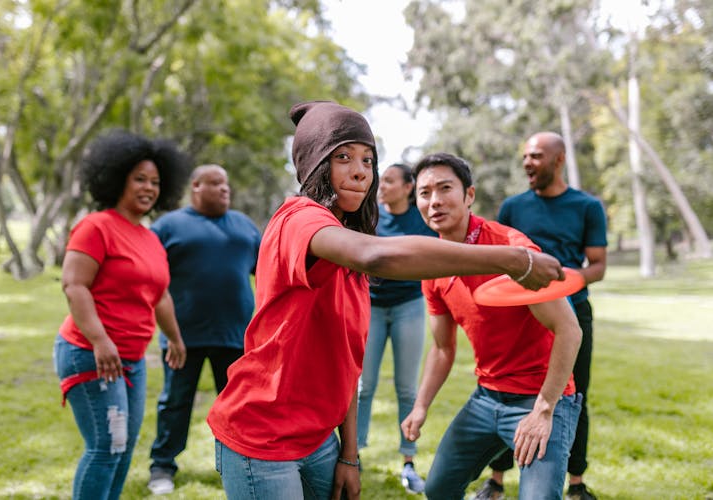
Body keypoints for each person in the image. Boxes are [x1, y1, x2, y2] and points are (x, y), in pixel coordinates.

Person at [206, 100, 566, 500]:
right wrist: (511, 260)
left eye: (367, 159)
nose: (360, 170)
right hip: (263, 435)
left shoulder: (347, 253)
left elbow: (346, 360)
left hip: (320, 439)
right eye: (342, 157)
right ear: (314, 164)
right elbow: (377, 255)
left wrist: (348, 454)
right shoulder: (298, 219)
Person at [400, 152, 584, 500]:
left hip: (541, 398)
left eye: (445, 188)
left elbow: (569, 329)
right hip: (487, 397)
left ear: (469, 195)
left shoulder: (512, 251)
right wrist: (421, 406)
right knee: (438, 490)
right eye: (424, 193)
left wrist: (543, 410)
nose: (435, 200)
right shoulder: (433, 266)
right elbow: (442, 347)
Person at [54, 129, 190, 500]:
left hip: (130, 358)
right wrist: (100, 341)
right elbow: (74, 286)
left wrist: (175, 338)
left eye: (155, 182)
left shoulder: (149, 238)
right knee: (106, 445)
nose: (148, 188)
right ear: (117, 179)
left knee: (124, 446)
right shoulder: (96, 227)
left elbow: (159, 294)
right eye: (139, 179)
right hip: (90, 351)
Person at [478, 132, 607, 500]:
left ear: (559, 159)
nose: (527, 163)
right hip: (519, 317)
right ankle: (497, 480)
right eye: (525, 157)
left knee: (575, 395)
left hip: (572, 312)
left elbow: (597, 265)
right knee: (510, 393)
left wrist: (561, 284)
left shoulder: (587, 206)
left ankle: (576, 483)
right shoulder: (513, 207)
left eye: (535, 156)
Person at [146, 164, 261, 495]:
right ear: (195, 186)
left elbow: (267, 274)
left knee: (238, 407)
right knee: (175, 403)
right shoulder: (168, 227)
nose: (224, 189)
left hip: (236, 336)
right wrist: (169, 334)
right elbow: (152, 282)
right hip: (182, 338)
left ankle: (240, 465)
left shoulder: (244, 226)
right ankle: (162, 466)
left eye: (226, 184)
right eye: (215, 183)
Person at [357, 162, 437, 494]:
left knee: (407, 389)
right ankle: (353, 456)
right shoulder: (369, 214)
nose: (382, 186)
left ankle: (408, 462)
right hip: (371, 306)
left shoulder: (422, 219)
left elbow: (435, 255)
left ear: (408, 187)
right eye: (382, 181)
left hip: (409, 307)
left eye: (389, 181)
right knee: (364, 385)